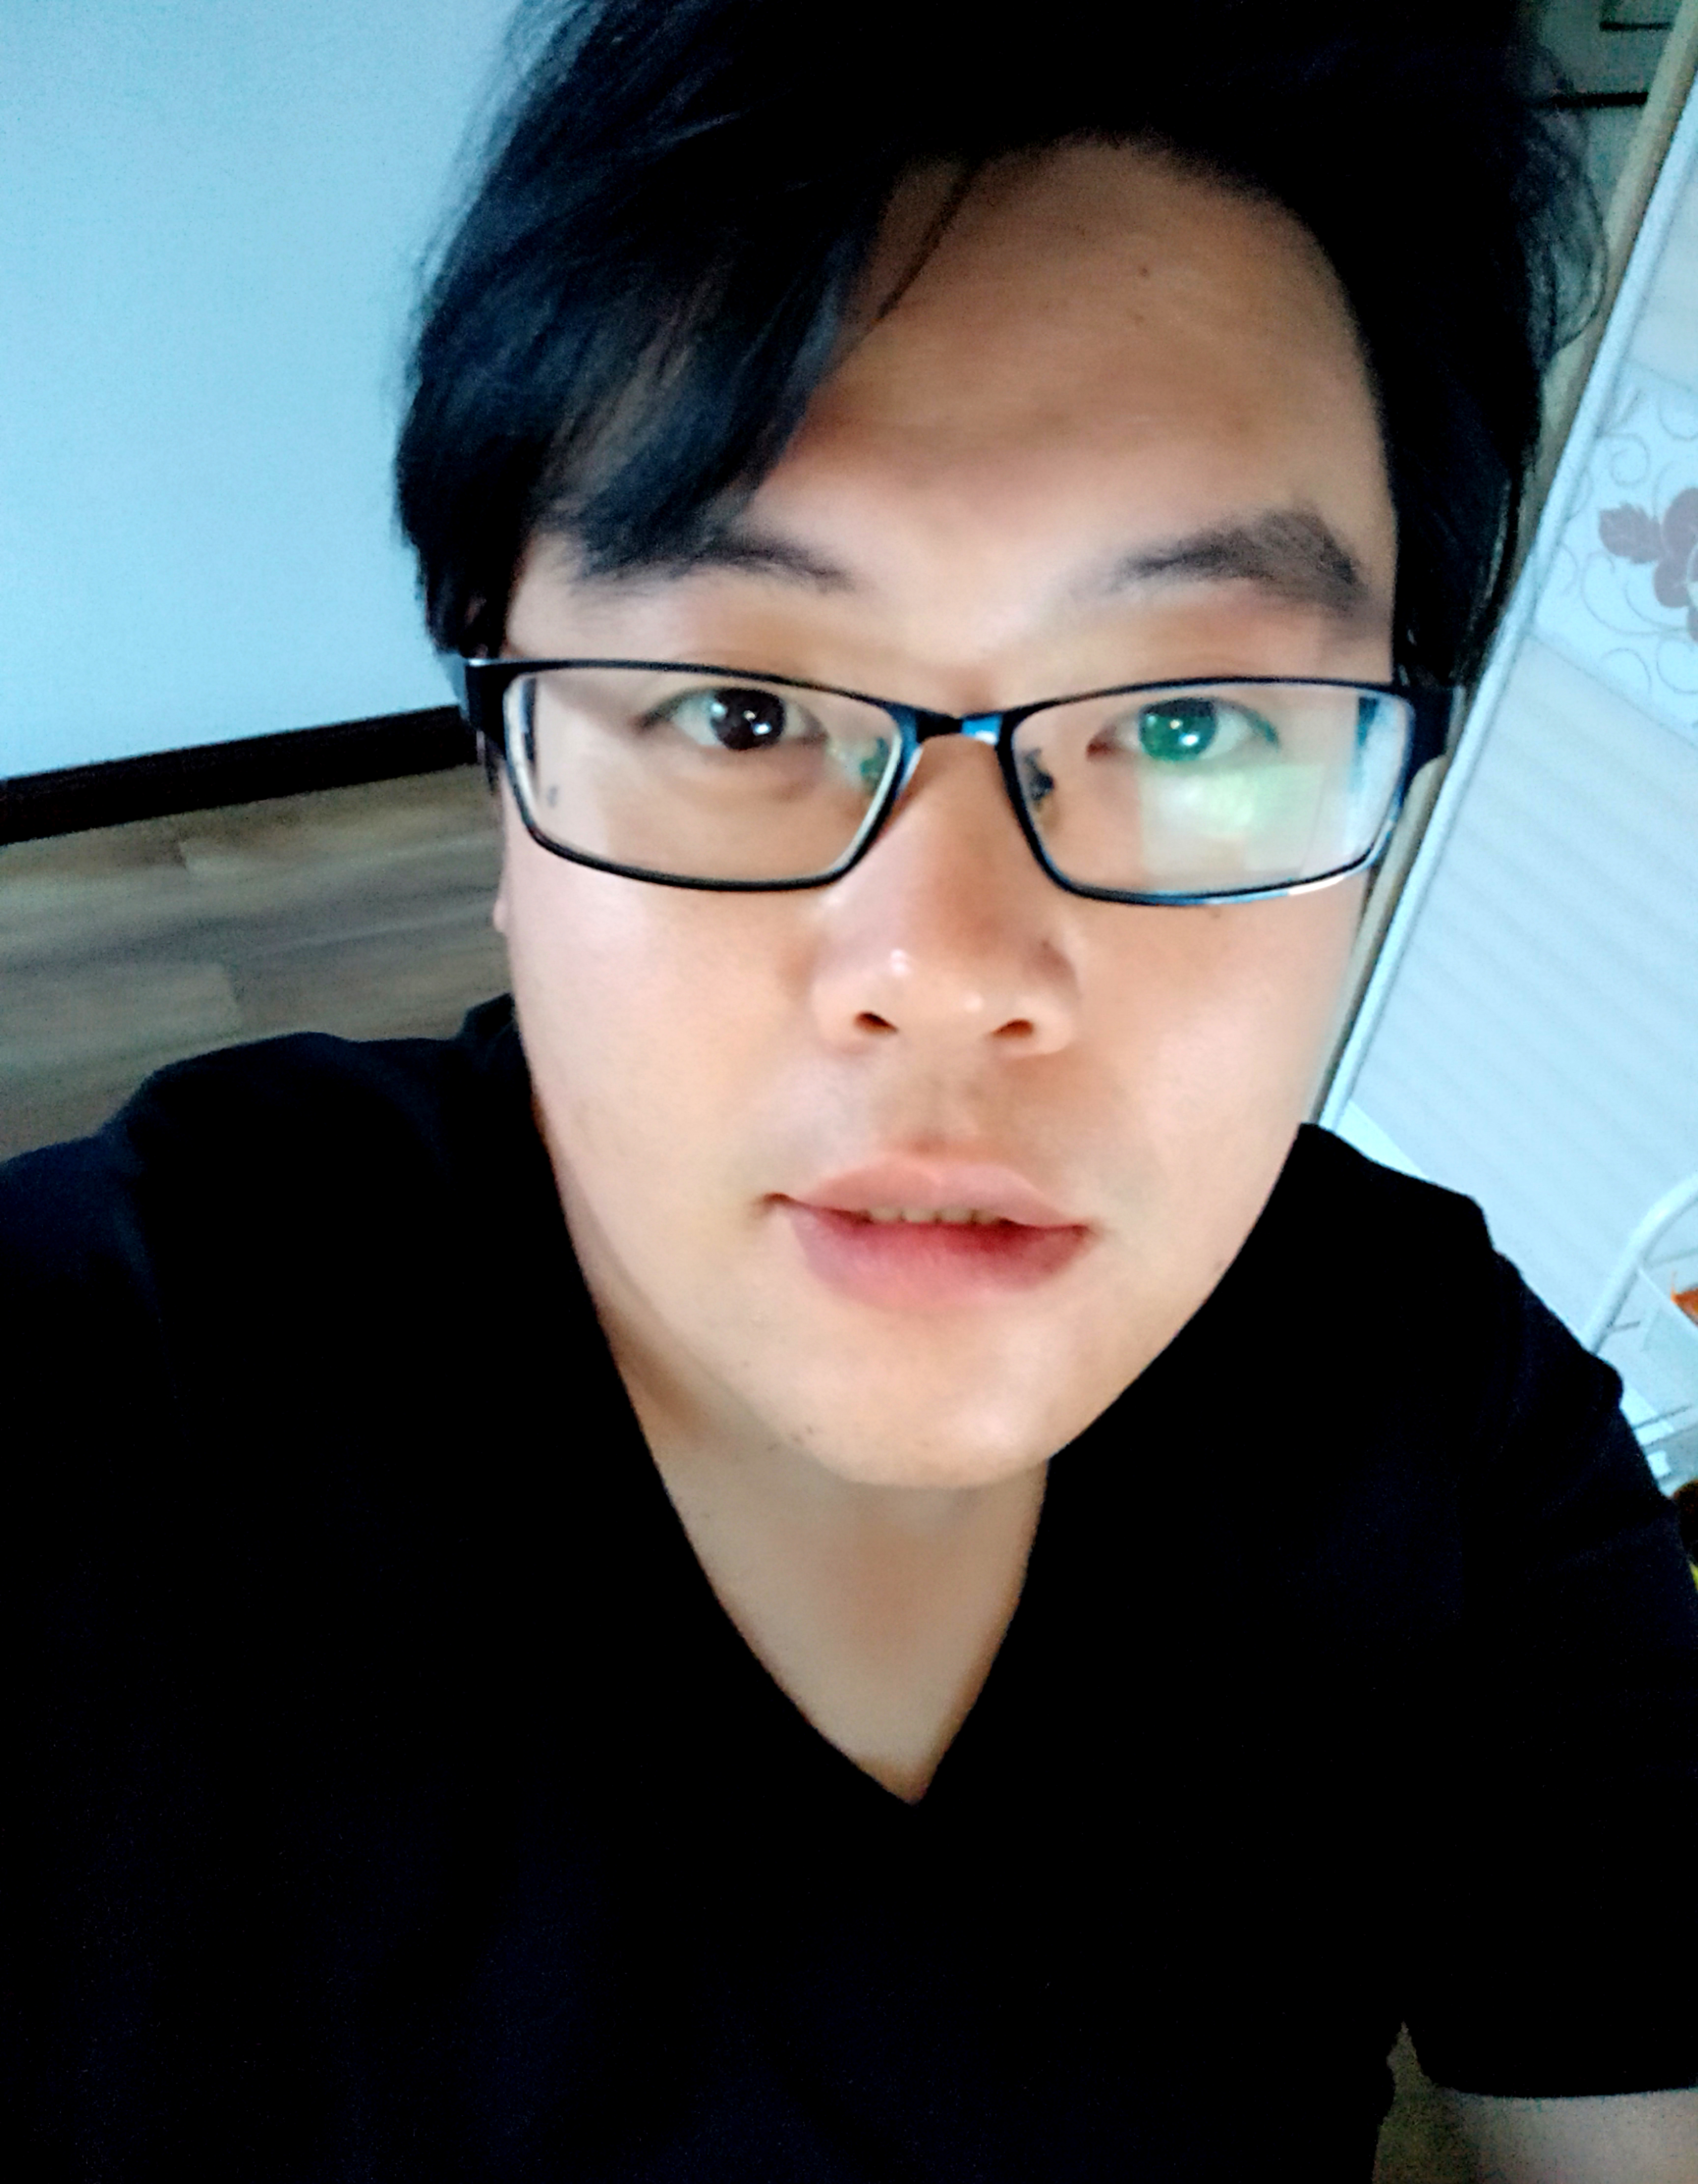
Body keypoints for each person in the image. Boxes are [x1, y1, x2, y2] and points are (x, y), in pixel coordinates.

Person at [5, 2, 1698, 2176]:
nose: (946, 972)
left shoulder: (1460, 1435)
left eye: (1190, 723)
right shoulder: (107, 1406)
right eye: (739, 710)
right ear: (503, 768)